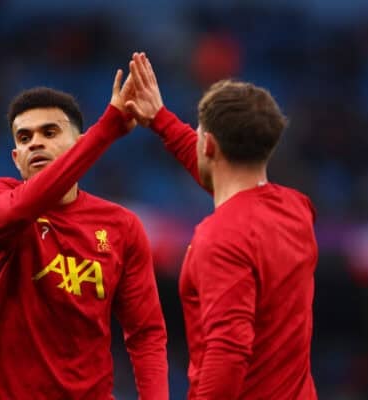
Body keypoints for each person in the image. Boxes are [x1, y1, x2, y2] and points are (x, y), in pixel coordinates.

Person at [125, 52, 318, 399]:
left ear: (210, 145)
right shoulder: (298, 209)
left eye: (199, 134)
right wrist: (159, 119)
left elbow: (227, 354)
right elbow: (226, 178)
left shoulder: (219, 238)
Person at [0, 70, 168, 400]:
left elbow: (146, 333)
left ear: (79, 144)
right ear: (16, 159)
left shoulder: (122, 226)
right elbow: (20, 208)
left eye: (49, 132)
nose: (36, 143)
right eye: (24, 138)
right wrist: (108, 129)